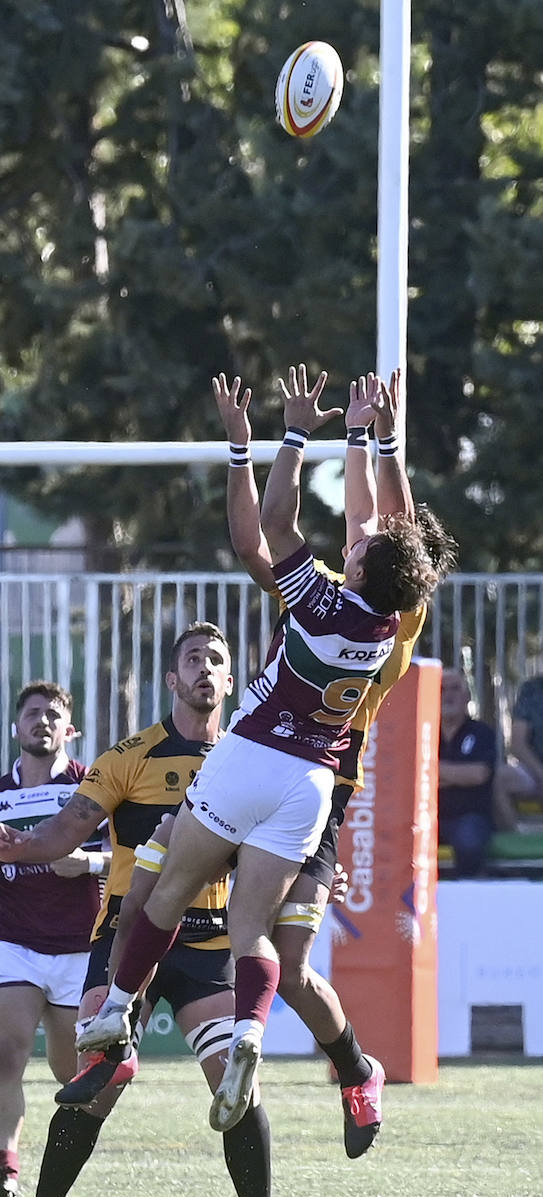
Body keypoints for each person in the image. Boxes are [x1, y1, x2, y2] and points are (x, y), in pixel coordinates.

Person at [73, 365, 447, 1137]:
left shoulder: (320, 600)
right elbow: (380, 526)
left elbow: (304, 527)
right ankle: (182, 1032)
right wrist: (376, 440)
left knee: (263, 943)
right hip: (307, 779)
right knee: (171, 869)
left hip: (298, 779)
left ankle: (351, 1068)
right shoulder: (395, 623)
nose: (363, 534)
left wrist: (297, 436)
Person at [0, 626, 300, 1197]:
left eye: (216, 660)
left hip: (211, 941)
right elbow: (67, 829)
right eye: (191, 659)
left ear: (229, 679)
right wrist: (23, 847)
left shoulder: (251, 758)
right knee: (98, 1081)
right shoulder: (129, 756)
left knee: (236, 1085)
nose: (204, 670)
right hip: (130, 938)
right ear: (171, 679)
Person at [218, 365, 456, 1155]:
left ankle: (355, 1069)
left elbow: (386, 528)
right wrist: (362, 437)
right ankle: (115, 1032)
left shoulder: (387, 616)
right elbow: (316, 532)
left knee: (286, 959)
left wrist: (368, 444)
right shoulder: (349, 593)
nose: (352, 546)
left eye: (363, 551)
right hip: (264, 770)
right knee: (226, 929)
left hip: (315, 790)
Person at [0, 681, 109, 1197]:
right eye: (32, 714)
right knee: (6, 1053)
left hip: (80, 948)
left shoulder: (94, 786)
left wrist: (87, 864)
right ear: (16, 728)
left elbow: (133, 857)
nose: (42, 721)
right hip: (13, 942)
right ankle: (4, 1172)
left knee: (73, 1073)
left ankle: (61, 1174)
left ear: (70, 729)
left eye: (53, 714)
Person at [438, 667, 498, 876]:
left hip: (470, 817)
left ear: (467, 695)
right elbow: (412, 775)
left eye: (455, 688)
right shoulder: (423, 732)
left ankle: (468, 892)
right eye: (442, 689)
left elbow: (478, 774)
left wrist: (435, 771)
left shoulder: (482, 732)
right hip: (427, 816)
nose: (448, 695)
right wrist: (458, 775)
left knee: (469, 841)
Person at [492, 674, 543, 831]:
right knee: (499, 778)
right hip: (535, 770)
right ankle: (515, 838)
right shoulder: (532, 690)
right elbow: (518, 744)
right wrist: (540, 773)